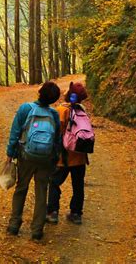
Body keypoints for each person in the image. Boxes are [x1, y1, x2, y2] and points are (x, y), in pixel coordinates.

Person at [6, 81, 61, 240]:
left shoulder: (26, 108)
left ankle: (14, 224)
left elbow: (15, 132)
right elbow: (57, 139)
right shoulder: (54, 114)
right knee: (42, 192)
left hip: (26, 156)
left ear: (40, 92)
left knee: (21, 188)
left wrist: (10, 153)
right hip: (45, 158)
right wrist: (54, 157)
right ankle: (37, 229)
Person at [46, 81, 90, 225]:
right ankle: (76, 213)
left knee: (54, 182)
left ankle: (52, 212)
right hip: (80, 157)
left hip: (63, 157)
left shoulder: (61, 110)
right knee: (78, 186)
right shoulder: (82, 111)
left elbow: (55, 132)